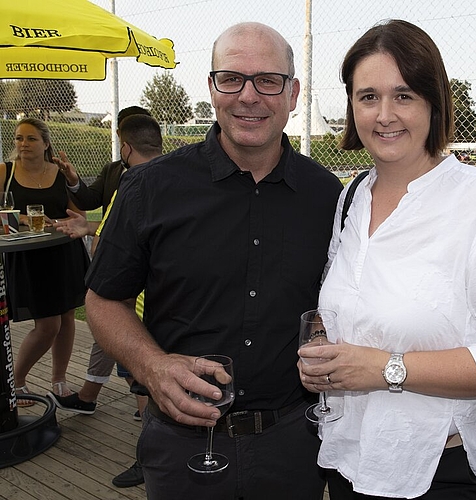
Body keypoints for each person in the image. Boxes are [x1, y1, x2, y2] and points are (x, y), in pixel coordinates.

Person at [297, 20, 476, 500]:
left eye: (404, 95)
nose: (384, 115)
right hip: (352, 459)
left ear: (433, 103)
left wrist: (386, 368)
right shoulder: (352, 196)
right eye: (368, 97)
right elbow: (351, 310)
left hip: (442, 473)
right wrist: (322, 347)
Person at [84, 22, 343, 500]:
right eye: (231, 79)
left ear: (293, 94)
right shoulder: (149, 188)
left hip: (294, 444)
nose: (248, 96)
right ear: (211, 88)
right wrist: (152, 366)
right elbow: (103, 299)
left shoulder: (328, 196)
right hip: (181, 446)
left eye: (267, 80)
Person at [50, 113, 163, 489]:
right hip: (166, 301)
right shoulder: (181, 175)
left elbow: (112, 239)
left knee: (142, 382)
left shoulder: (132, 181)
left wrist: (87, 228)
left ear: (125, 146)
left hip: (136, 304)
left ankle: (148, 462)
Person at [0, 118, 90, 406]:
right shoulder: (5, 171)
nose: (23, 144)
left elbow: (80, 217)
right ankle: (17, 380)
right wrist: (23, 218)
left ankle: (59, 380)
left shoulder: (60, 172)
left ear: (46, 143)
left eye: (30, 139)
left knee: (66, 318)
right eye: (18, 138)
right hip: (28, 257)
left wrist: (57, 223)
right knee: (48, 325)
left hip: (63, 252)